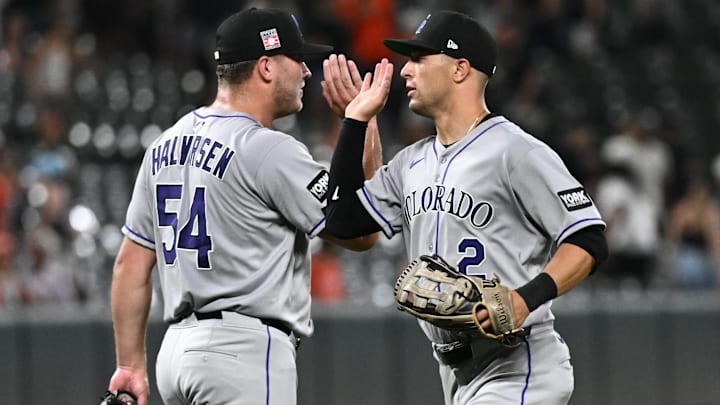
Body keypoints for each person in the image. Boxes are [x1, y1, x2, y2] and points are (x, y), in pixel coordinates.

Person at [323, 10, 608, 405]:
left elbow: (589, 238)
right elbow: (342, 221)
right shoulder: (411, 162)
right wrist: (355, 123)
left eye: (420, 59)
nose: (407, 71)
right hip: (455, 372)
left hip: (519, 364)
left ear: (460, 69)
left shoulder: (514, 150)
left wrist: (526, 298)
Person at [105, 8, 380, 405]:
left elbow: (129, 264)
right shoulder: (268, 149)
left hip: (175, 356)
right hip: (243, 353)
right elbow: (361, 230)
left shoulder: (164, 144)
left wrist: (130, 366)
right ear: (266, 67)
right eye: (297, 60)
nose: (306, 72)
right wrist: (363, 124)